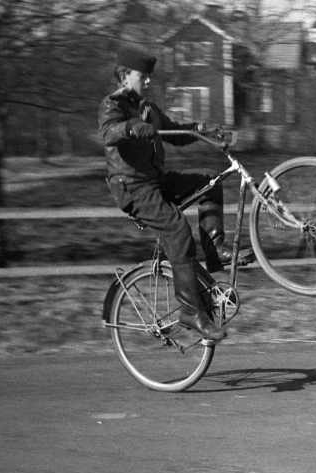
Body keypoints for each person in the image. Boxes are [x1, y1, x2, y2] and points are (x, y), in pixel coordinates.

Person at [98, 48, 238, 342]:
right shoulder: (113, 105)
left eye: (149, 77)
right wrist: (132, 127)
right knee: (178, 230)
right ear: (125, 77)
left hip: (155, 181)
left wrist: (203, 130)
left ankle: (215, 250)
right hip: (132, 188)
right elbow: (109, 132)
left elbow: (175, 133)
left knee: (210, 183)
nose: (148, 82)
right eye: (143, 76)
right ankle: (189, 311)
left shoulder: (148, 108)